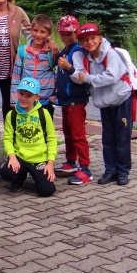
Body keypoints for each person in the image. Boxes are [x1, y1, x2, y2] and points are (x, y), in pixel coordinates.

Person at [75, 23, 134, 186]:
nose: (89, 42)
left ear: (100, 38)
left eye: (92, 38)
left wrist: (87, 78)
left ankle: (123, 172)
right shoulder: (88, 59)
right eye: (85, 40)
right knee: (107, 139)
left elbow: (111, 77)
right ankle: (110, 171)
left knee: (122, 138)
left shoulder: (111, 55)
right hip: (105, 103)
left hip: (121, 98)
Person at [0, 77, 57, 197]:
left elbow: (51, 139)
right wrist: (12, 157)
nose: (23, 98)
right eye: (21, 94)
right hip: (20, 157)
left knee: (47, 191)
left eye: (29, 95)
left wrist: (50, 163)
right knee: (6, 172)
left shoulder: (44, 113)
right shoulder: (12, 115)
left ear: (37, 97)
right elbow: (7, 139)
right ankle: (20, 177)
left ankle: (35, 175)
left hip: (39, 159)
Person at [53, 15, 92, 185]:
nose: (66, 37)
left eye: (69, 33)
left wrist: (68, 68)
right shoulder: (65, 50)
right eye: (62, 34)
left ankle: (85, 169)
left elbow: (80, 77)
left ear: (76, 33)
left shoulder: (76, 51)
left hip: (76, 99)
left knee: (78, 134)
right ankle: (71, 162)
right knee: (68, 132)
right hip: (66, 100)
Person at [10, 14, 59, 118]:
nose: (38, 35)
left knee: (44, 131)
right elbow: (16, 76)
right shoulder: (23, 51)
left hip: (46, 101)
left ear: (49, 33)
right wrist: (14, 100)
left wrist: (55, 93)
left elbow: (59, 73)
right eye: (35, 30)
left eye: (42, 32)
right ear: (31, 30)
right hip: (27, 100)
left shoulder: (52, 52)